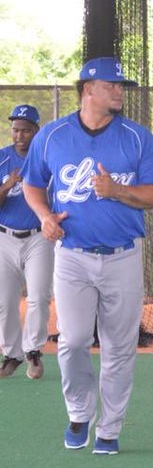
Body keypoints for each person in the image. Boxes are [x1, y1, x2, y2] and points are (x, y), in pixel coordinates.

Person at [22, 57, 153, 455]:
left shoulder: (137, 138)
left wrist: (117, 191)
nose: (120, 91)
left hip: (123, 256)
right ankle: (79, 412)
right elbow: (34, 185)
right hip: (72, 255)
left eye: (122, 85)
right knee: (71, 342)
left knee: (119, 347)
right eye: (112, 84)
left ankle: (110, 427)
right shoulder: (52, 136)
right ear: (88, 89)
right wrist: (45, 216)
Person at [0, 105, 53, 380]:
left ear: (36, 131)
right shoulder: (2, 158)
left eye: (25, 130)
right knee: (5, 300)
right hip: (4, 236)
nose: (19, 135)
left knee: (39, 296)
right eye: (15, 130)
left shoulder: (46, 159)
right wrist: (7, 186)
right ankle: (12, 354)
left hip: (38, 237)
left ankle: (33, 351)